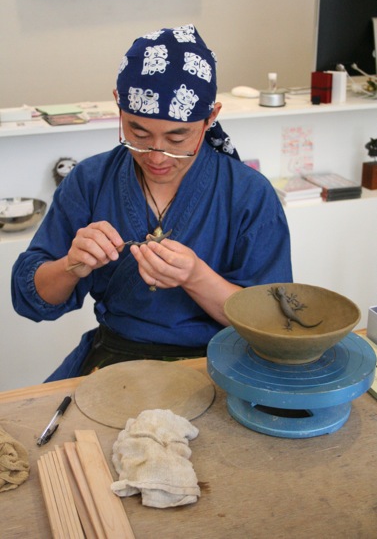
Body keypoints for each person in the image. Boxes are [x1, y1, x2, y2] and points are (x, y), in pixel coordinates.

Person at [11, 24, 293, 381]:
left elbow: (271, 323)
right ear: (118, 104)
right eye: (138, 133)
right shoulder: (89, 181)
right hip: (117, 361)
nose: (157, 155)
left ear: (211, 118)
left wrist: (195, 277)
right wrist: (72, 264)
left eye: (178, 137)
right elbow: (31, 300)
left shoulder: (249, 194)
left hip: (219, 366)